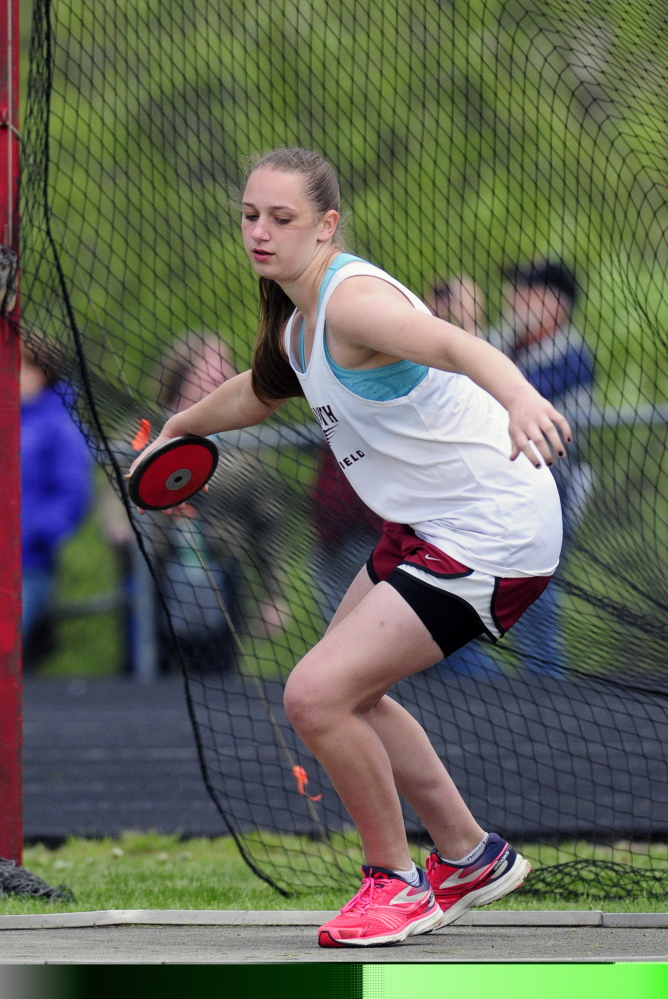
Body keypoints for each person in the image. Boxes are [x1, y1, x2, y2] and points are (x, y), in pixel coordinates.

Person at [128, 148, 571, 948]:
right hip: (433, 522)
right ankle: (468, 856)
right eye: (250, 215)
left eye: (282, 218)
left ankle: (395, 884)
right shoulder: (299, 323)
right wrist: (183, 425)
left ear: (327, 225)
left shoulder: (352, 304)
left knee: (315, 693)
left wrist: (521, 394)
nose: (260, 232)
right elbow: (259, 392)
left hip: (492, 526)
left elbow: (456, 345)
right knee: (346, 692)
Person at [493, 259, 595, 673]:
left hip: (551, 487)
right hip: (498, 489)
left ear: (561, 305)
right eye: (515, 289)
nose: (515, 298)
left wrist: (472, 338)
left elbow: (515, 392)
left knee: (537, 599)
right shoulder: (503, 344)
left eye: (529, 290)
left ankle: (546, 692)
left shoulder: (572, 355)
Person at [20, 339, 93, 657]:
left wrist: (28, 533)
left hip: (27, 566)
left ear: (40, 372)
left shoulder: (57, 426)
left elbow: (73, 496)